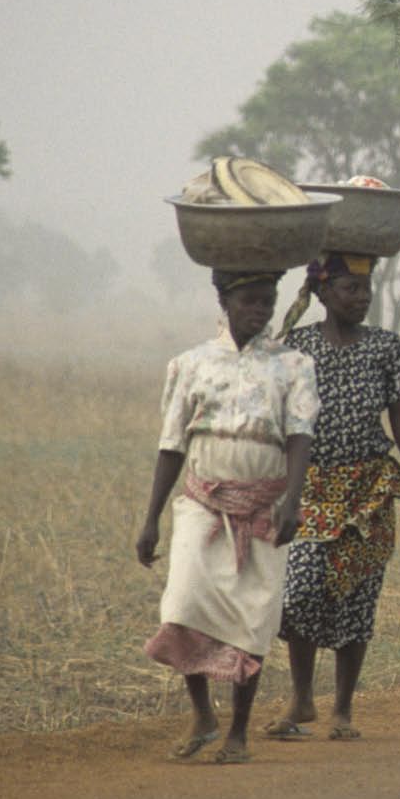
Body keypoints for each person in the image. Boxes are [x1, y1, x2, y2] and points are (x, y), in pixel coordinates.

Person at [136, 268, 317, 764]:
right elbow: (172, 444)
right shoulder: (190, 364)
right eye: (250, 302)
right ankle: (202, 714)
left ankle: (238, 731)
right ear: (225, 301)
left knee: (253, 618)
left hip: (263, 507)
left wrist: (292, 502)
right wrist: (150, 518)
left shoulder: (294, 365)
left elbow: (301, 435)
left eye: (268, 301)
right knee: (183, 605)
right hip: (202, 503)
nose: (260, 311)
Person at [264, 252, 400, 743]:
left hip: (368, 488)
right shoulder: (296, 347)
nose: (361, 299)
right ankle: (301, 695)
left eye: (365, 290)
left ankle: (342, 708)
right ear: (322, 293)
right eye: (349, 289)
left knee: (357, 598)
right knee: (299, 593)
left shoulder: (385, 346)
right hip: (312, 486)